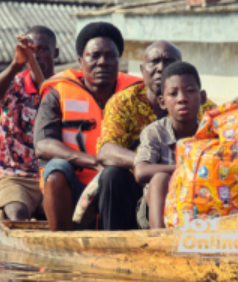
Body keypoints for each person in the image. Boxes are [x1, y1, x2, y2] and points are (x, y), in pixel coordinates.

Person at [92, 41, 216, 230]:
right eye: (154, 61)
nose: (161, 68)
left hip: (198, 194)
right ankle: (121, 243)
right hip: (141, 191)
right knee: (114, 175)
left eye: (169, 61)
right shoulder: (124, 102)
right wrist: (180, 167)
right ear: (142, 69)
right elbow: (106, 151)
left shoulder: (207, 114)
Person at [33, 21, 142, 231]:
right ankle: (60, 244)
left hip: (118, 185)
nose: (103, 62)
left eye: (111, 56)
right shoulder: (58, 93)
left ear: (119, 61)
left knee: (116, 175)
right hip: (74, 187)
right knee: (56, 169)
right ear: (81, 61)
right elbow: (43, 145)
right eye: (95, 56)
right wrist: (93, 162)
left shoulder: (135, 95)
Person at [0, 26, 58, 221]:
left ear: (55, 53)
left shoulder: (63, 88)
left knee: (58, 217)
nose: (36, 56)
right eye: (32, 51)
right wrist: (15, 64)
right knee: (18, 213)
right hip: (13, 175)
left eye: (43, 49)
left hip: (50, 175)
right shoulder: (15, 82)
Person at [133, 61, 206, 229]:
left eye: (190, 91)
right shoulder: (155, 132)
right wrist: (187, 168)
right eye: (173, 93)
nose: (182, 99)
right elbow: (141, 171)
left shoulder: (211, 133)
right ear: (162, 102)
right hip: (157, 208)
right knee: (160, 178)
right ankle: (160, 241)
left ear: (202, 97)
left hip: (199, 203)